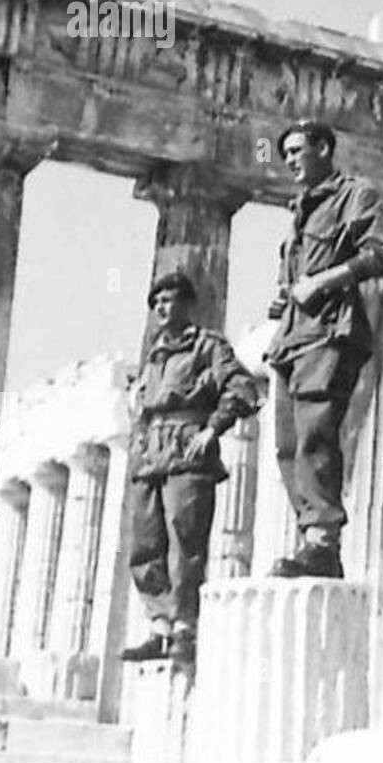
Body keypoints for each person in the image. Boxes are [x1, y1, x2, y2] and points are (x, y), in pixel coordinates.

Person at [263, 120, 383, 577]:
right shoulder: (299, 211)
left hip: (330, 330)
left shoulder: (354, 194)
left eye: (298, 150)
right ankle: (310, 536)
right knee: (286, 445)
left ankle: (324, 540)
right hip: (291, 339)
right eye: (285, 154)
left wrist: (324, 280)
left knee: (316, 434)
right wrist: (285, 296)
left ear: (324, 147)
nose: (290, 160)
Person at [121, 271, 259, 664]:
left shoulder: (208, 346)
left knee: (186, 540)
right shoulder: (154, 354)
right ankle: (158, 625)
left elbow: (241, 388)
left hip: (187, 447)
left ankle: (185, 627)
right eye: (157, 302)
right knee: (144, 542)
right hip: (151, 453)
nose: (163, 308)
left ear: (187, 303)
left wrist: (212, 430)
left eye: (170, 300)